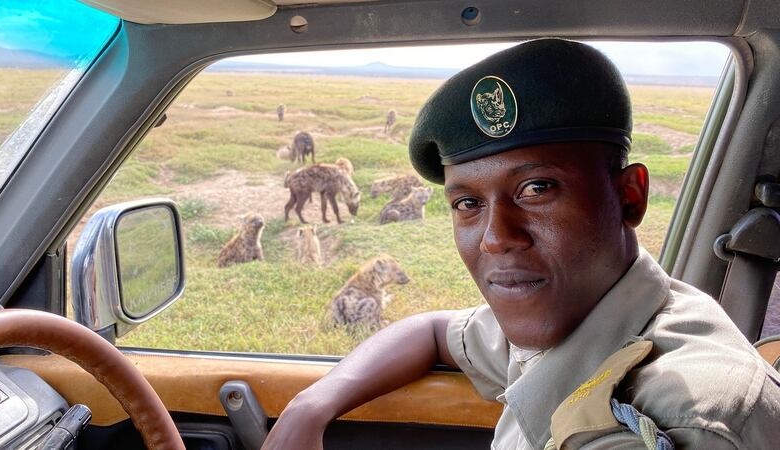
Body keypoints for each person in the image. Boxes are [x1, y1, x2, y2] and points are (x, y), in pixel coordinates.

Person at [261, 39, 780, 449]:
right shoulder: (577, 315)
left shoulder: (691, 419)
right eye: (467, 204)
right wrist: (311, 406)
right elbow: (436, 329)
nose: (494, 239)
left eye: (536, 190)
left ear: (628, 198)